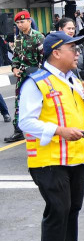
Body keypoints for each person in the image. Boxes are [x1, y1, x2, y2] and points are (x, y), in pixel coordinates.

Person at [19, 31, 84, 241]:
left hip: (75, 157)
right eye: (72, 48)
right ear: (56, 52)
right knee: (58, 209)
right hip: (49, 158)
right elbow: (25, 122)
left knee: (72, 208)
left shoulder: (72, 79)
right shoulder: (36, 81)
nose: (77, 53)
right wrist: (59, 131)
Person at [57, 18, 84, 159]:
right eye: (68, 28)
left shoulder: (79, 46)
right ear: (60, 29)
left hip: (81, 84)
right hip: (65, 85)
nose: (71, 31)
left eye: (72, 28)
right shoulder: (56, 47)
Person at [5, 11, 44, 143]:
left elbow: (42, 59)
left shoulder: (38, 37)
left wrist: (39, 77)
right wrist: (15, 68)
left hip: (36, 76)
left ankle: (41, 128)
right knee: (19, 103)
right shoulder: (18, 39)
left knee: (39, 103)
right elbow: (15, 58)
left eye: (22, 22)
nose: (20, 25)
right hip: (22, 76)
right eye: (18, 23)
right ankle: (18, 131)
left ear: (29, 21)